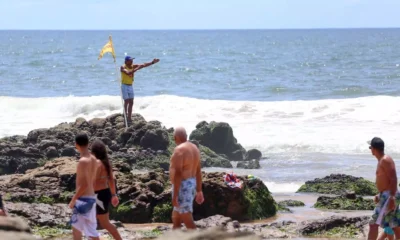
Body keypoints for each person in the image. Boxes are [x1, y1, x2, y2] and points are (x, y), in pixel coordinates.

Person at [169, 127, 204, 230]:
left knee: (186, 216)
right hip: (191, 183)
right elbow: (198, 171)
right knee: (176, 217)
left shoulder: (179, 150)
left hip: (182, 186)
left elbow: (178, 173)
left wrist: (175, 195)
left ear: (176, 137)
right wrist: (199, 190)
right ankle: (176, 235)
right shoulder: (194, 148)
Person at [368, 137, 400, 240]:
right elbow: (386, 181)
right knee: (394, 224)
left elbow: (394, 179)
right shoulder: (381, 160)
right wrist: (379, 194)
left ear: (374, 148)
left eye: (370, 147)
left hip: (390, 195)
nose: (370, 149)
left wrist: (391, 198)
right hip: (387, 194)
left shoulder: (385, 160)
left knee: (373, 223)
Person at [69, 133, 100, 240]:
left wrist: (74, 199)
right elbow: (93, 181)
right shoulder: (94, 159)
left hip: (83, 199)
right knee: (91, 232)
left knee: (77, 231)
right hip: (92, 198)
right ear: (88, 143)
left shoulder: (83, 161)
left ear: (76, 145)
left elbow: (84, 184)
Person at [91, 139, 122, 240]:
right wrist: (114, 195)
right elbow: (111, 180)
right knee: (101, 223)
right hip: (105, 193)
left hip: (96, 196)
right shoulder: (106, 163)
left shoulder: (97, 163)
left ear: (94, 151)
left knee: (98, 223)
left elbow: (93, 181)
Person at [120, 56, 160, 124]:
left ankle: (129, 118)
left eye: (132, 60)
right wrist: (137, 69)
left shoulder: (133, 66)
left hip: (130, 86)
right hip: (124, 85)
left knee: (131, 102)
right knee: (126, 101)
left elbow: (143, 65)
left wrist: (152, 62)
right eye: (130, 60)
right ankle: (125, 115)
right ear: (126, 61)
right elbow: (128, 73)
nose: (132, 61)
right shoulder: (122, 67)